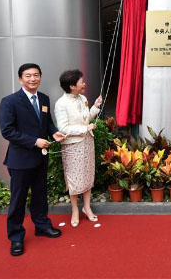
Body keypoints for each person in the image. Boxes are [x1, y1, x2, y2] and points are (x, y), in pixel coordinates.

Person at [0, 63, 65, 256]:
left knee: (40, 195)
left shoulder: (44, 98)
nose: (32, 79)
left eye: (36, 75)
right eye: (28, 76)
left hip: (40, 159)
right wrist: (34, 141)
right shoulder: (9, 101)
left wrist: (54, 133)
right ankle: (16, 237)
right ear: (20, 79)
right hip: (20, 160)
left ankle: (42, 226)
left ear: (41, 77)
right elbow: (7, 131)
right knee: (18, 199)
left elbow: (47, 123)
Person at [54, 69, 102, 227]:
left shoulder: (83, 98)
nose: (84, 84)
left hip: (87, 143)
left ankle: (87, 208)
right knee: (74, 179)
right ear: (72, 86)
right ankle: (75, 209)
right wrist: (85, 129)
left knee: (87, 175)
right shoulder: (61, 104)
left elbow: (86, 118)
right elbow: (63, 128)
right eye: (81, 82)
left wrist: (95, 107)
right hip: (72, 145)